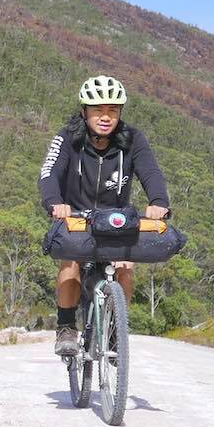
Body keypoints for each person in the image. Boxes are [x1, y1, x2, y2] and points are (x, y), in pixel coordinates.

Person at [38, 75, 171, 357]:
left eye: (113, 110)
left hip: (116, 219)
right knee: (70, 262)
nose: (105, 117)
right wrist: (54, 202)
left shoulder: (133, 140)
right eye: (98, 110)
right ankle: (66, 328)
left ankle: (114, 332)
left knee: (125, 266)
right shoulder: (67, 138)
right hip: (76, 218)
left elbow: (151, 172)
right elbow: (49, 173)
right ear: (84, 111)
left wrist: (159, 202)